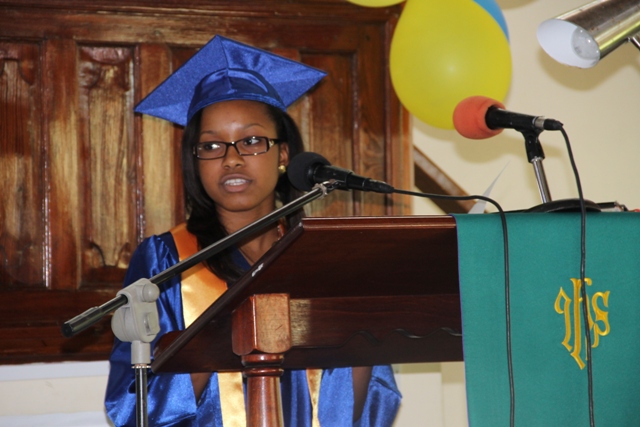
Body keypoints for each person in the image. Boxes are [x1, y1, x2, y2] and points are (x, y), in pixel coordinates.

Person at [104, 35, 401, 426]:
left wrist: (365, 327)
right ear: (195, 161)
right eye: (211, 146)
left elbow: (366, 402)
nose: (232, 159)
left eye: (251, 140)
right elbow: (131, 406)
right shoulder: (166, 259)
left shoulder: (317, 257)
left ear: (283, 155)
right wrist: (215, 335)